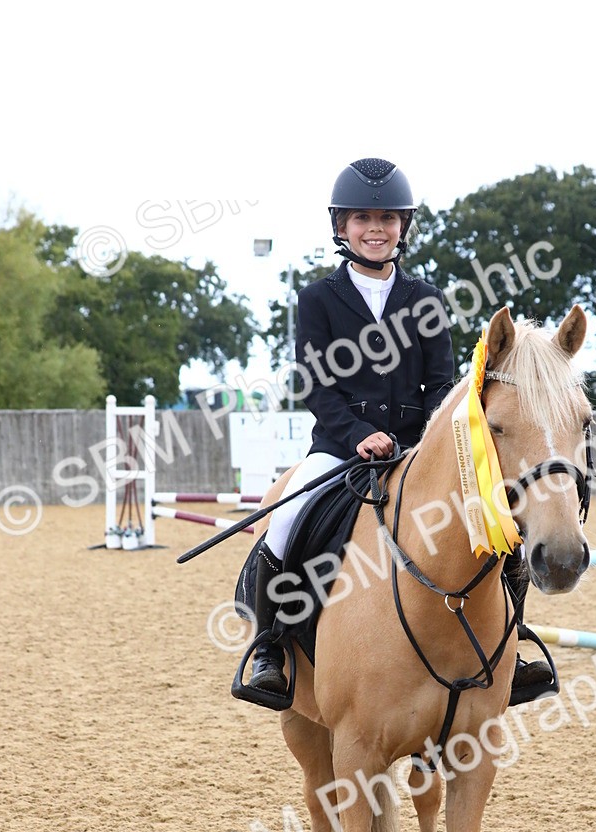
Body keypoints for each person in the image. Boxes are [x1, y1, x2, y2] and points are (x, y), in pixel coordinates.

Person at [232, 157, 555, 706]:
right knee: (285, 521)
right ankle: (271, 647)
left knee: (503, 527)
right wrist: (355, 433)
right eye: (362, 218)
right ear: (341, 227)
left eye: (386, 217)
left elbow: (442, 386)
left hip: (418, 452)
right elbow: (316, 384)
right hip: (340, 452)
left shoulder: (425, 299)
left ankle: (512, 642)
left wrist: (422, 443)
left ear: (403, 226)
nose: (375, 228)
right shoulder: (315, 301)